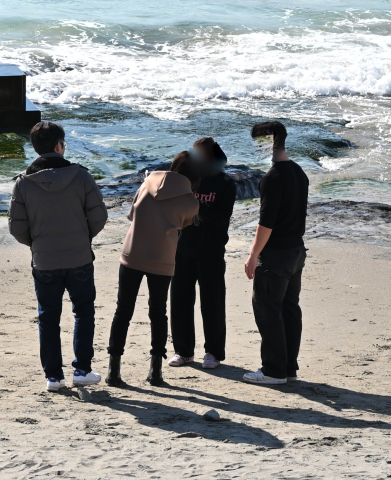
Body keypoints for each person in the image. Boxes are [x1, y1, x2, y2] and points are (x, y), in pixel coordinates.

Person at [8, 120, 108, 392]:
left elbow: (17, 227)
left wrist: (38, 243)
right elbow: (99, 217)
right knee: (84, 312)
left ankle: (53, 377)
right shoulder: (82, 176)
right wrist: (82, 238)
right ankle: (82, 370)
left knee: (48, 318)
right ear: (58, 146)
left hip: (44, 261)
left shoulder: (24, 183)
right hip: (79, 259)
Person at [106, 150, 199, 387]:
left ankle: (113, 370)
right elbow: (183, 225)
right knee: (158, 313)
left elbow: (132, 215)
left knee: (122, 311)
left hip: (132, 254)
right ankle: (155, 371)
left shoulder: (147, 182)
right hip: (162, 259)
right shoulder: (191, 201)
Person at [242, 119, 310, 385]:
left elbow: (266, 223)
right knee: (290, 308)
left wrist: (252, 255)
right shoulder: (298, 172)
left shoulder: (272, 178)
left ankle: (273, 370)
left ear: (268, 143)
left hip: (277, 255)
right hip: (296, 252)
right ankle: (288, 367)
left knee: (268, 308)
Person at [168, 137, 235, 369]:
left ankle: (213, 352)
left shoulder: (226, 183)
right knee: (179, 301)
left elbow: (220, 218)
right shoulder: (186, 179)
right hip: (182, 249)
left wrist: (196, 204)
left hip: (212, 251)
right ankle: (183, 351)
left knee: (213, 303)